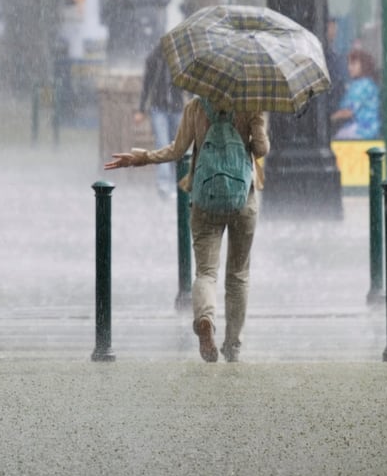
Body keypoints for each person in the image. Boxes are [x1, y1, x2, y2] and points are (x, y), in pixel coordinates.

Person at [104, 96, 269, 363]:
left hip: (205, 198)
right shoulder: (251, 102)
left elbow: (178, 150)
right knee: (238, 275)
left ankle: (205, 318)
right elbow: (261, 148)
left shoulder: (197, 105)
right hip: (243, 199)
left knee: (205, 272)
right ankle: (233, 346)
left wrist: (142, 158)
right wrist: (252, 131)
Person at [135, 43, 187, 199]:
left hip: (176, 109)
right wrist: (142, 109)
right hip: (159, 109)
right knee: (163, 144)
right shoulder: (154, 59)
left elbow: (189, 85)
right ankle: (164, 184)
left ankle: (175, 183)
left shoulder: (182, 61)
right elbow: (147, 85)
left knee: (176, 146)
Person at [330, 47, 382, 140]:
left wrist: (330, 119)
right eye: (349, 64)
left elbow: (348, 111)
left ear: (364, 65)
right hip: (368, 129)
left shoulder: (361, 86)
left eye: (353, 64)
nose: (349, 68)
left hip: (361, 131)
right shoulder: (367, 84)